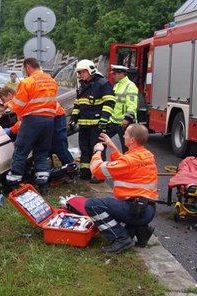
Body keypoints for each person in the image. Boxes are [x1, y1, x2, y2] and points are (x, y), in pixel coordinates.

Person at [84, 124, 158, 254]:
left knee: (92, 205)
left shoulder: (130, 160)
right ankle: (140, 231)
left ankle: (121, 238)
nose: (123, 135)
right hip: (146, 208)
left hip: (136, 209)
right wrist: (112, 146)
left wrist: (97, 151)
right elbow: (124, 163)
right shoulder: (146, 155)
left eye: (126, 134)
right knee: (109, 199)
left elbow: (97, 171)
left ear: (132, 140)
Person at [4, 58, 57, 195]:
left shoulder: (28, 82)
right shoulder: (51, 80)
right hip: (49, 120)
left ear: (28, 67)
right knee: (42, 152)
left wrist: (8, 105)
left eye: (24, 69)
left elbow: (19, 104)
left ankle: (14, 184)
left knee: (21, 150)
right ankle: (43, 186)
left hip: (32, 120)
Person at [68, 59, 116, 183]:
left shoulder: (103, 84)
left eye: (82, 72)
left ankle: (99, 176)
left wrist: (104, 119)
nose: (80, 75)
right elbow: (78, 104)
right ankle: (85, 173)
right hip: (84, 124)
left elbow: (109, 102)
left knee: (97, 150)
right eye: (79, 73)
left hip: (97, 125)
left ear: (90, 70)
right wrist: (73, 120)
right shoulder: (82, 86)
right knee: (84, 149)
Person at [107, 65, 138, 153]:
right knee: (101, 142)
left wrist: (127, 119)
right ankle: (100, 164)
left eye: (115, 74)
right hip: (113, 121)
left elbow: (132, 105)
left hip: (124, 123)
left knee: (127, 149)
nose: (113, 76)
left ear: (122, 73)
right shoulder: (117, 85)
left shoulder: (130, 86)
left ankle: (128, 166)